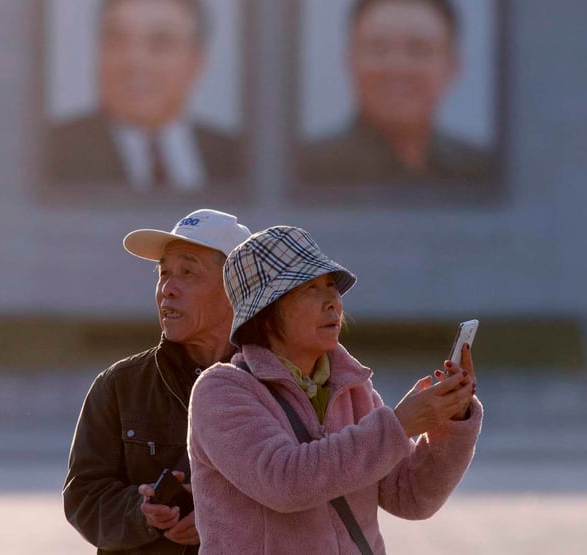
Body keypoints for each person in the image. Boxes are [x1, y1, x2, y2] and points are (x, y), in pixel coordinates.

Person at [188, 226, 481, 554]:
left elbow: (410, 497)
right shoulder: (221, 391)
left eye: (331, 285)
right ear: (265, 313)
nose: (332, 301)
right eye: (309, 288)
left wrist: (451, 420)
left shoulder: (354, 388)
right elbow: (284, 482)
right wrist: (399, 425)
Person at [64, 208, 252, 553]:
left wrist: (222, 513)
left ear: (235, 288)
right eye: (164, 273)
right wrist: (143, 513)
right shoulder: (119, 385)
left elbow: (311, 493)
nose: (167, 289)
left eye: (188, 273)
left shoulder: (274, 382)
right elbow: (82, 497)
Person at [46, 0, 242, 191]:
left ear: (196, 62)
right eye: (116, 41)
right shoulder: (49, 151)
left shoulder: (236, 154)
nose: (134, 61)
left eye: (160, 43)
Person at [298, 0, 493, 185]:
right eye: (378, 49)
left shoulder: (484, 171)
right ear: (349, 61)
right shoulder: (301, 169)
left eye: (418, 49)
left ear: (453, 67)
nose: (397, 68)